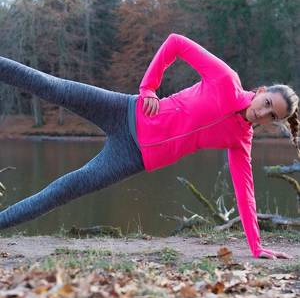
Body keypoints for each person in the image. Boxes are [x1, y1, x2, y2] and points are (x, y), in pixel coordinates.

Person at [0, 33, 299, 259]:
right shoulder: (225, 79)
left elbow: (245, 191)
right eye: (267, 103)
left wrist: (257, 247)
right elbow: (175, 42)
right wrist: (148, 87)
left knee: (63, 190)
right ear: (261, 91)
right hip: (125, 110)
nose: (262, 113)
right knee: (51, 86)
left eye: (272, 116)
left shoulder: (240, 140)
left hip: (132, 157)